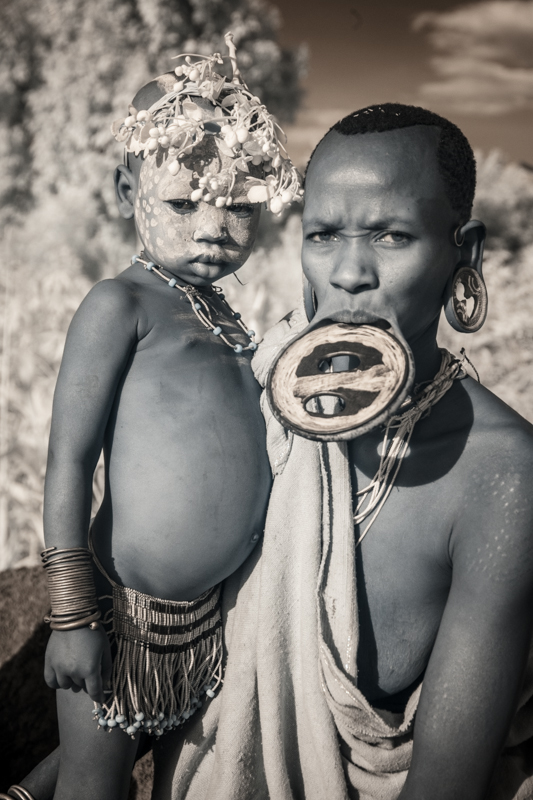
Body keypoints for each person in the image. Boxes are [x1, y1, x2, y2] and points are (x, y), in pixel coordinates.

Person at [153, 104, 533, 800]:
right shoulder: (252, 402)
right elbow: (157, 647)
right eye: (323, 234)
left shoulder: (498, 471)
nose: (349, 272)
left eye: (391, 235)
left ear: (463, 249)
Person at [1, 35, 301, 800]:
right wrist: (71, 614)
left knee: (101, 758)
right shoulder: (120, 306)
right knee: (97, 784)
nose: (213, 228)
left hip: (202, 620)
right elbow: (68, 461)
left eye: (238, 206)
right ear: (123, 188)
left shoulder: (229, 321)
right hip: (119, 613)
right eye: (181, 202)